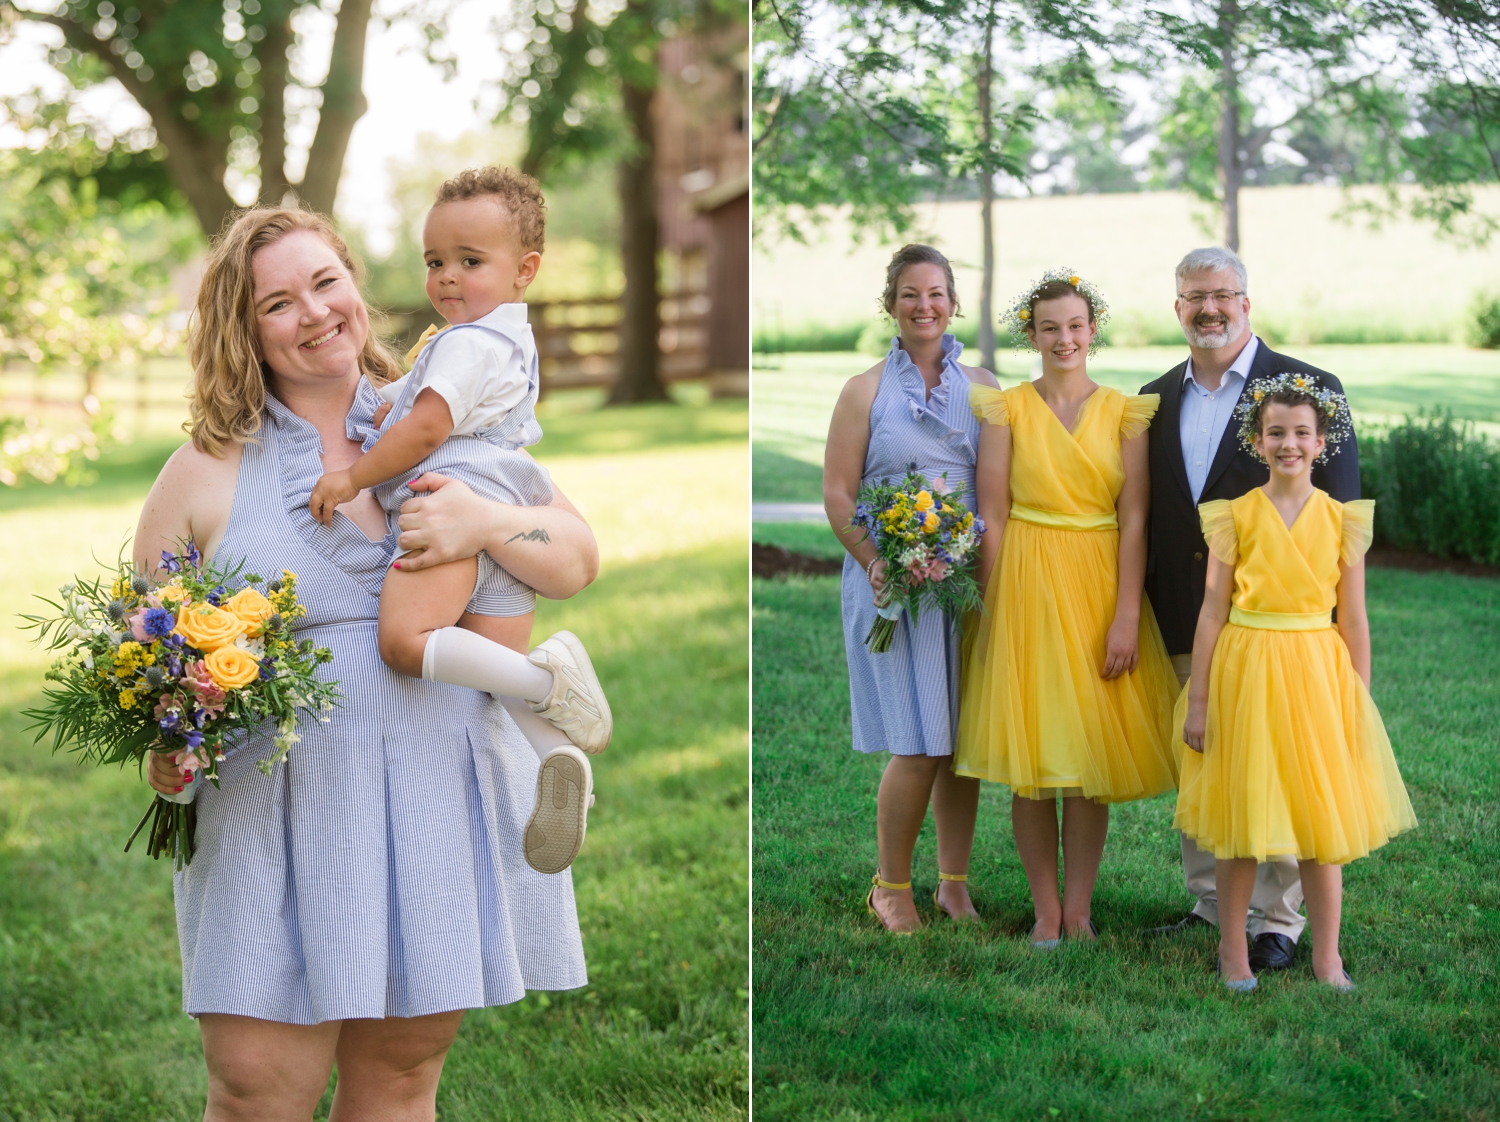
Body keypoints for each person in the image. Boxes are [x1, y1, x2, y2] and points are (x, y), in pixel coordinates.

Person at [138, 206, 596, 1120]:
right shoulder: (204, 468)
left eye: (325, 282)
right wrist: (164, 745)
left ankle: (550, 709)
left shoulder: (442, 419)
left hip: (436, 803)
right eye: (278, 303)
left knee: (397, 1085)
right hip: (272, 818)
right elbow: (141, 644)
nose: (314, 313)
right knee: (256, 1091)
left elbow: (573, 556)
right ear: (245, 330)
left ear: (355, 286)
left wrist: (491, 523)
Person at [308, 166, 609, 875]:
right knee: (484, 677)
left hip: (451, 498)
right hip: (508, 510)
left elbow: (425, 431)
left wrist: (353, 473)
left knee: (407, 641)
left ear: (523, 270)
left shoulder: (468, 343)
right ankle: (558, 753)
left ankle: (550, 683)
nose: (446, 278)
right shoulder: (503, 340)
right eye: (435, 262)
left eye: (470, 262)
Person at [1140, 247, 1361, 974]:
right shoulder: (1155, 395)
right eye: (1194, 296)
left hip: (1290, 635)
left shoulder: (1308, 390)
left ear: (1246, 300)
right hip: (1190, 614)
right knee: (1211, 765)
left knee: (1290, 773)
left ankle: (1279, 921)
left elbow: (1335, 524)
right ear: (1178, 307)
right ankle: (1210, 907)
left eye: (1222, 294)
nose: (1209, 308)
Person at [955, 270, 1178, 947]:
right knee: (1033, 765)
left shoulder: (1126, 413)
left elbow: (1134, 520)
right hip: (1024, 580)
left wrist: (1123, 616)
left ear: (1092, 330)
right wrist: (992, 607)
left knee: (1086, 765)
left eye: (1075, 326)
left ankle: (1079, 910)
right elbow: (991, 512)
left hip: (1098, 584)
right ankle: (1044, 910)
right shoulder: (1006, 409)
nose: (1064, 338)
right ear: (1031, 332)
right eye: (1049, 327)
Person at [1174, 378, 1416, 991]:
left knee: (1318, 822)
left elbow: (1353, 618)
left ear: (1321, 442)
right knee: (1240, 819)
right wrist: (1198, 698)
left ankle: (1326, 958)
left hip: (1316, 671)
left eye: (1301, 433)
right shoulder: (1234, 517)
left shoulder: (1342, 521)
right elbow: (1211, 611)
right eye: (1276, 432)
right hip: (1247, 669)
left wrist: (1356, 700)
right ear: (1258, 441)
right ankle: (1233, 951)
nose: (1289, 444)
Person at [823, 244, 992, 933]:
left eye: (937, 294)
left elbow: (998, 487)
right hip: (891, 583)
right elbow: (837, 492)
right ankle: (890, 887)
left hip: (963, 586)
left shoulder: (984, 388)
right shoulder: (863, 390)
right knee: (918, 744)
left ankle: (953, 884)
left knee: (960, 746)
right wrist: (873, 557)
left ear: (954, 302)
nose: (925, 306)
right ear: (890, 305)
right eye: (910, 295)